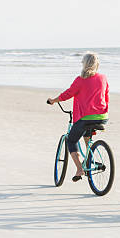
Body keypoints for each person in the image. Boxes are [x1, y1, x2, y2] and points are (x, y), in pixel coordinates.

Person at [47, 52, 109, 182]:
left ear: (84, 65)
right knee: (86, 134)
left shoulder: (80, 80)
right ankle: (89, 156)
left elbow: (68, 94)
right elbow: (106, 95)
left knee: (71, 140)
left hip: (86, 117)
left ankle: (79, 169)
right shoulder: (103, 78)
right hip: (102, 116)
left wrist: (54, 100)